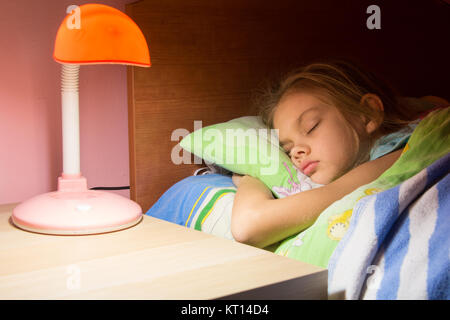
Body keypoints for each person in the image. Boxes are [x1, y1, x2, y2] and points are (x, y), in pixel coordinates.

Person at [230, 60, 438, 249]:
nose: (296, 152)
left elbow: (249, 225)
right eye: (287, 149)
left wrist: (251, 177)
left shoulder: (397, 155)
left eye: (311, 127)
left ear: (367, 115)